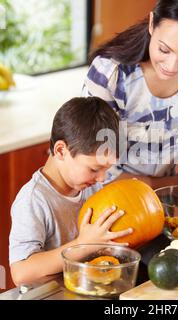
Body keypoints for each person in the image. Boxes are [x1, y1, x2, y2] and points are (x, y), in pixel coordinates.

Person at [83, 0, 178, 189]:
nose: (171, 67)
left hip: (164, 193)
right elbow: (98, 165)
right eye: (164, 49)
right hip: (116, 196)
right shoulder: (110, 74)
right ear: (152, 23)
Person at [9, 97, 133, 286]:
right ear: (61, 151)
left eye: (106, 170)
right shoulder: (33, 200)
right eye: (94, 169)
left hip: (89, 287)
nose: (101, 178)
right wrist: (83, 244)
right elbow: (21, 273)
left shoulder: (91, 186)